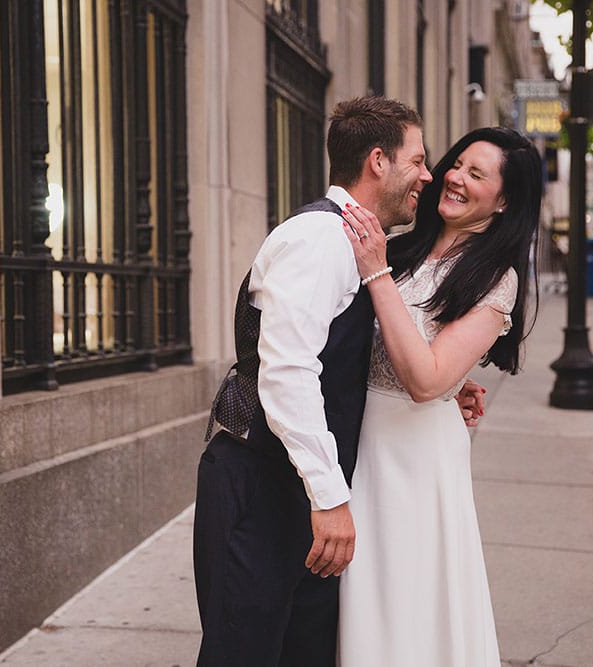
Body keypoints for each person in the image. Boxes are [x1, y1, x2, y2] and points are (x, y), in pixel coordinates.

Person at [193, 96, 436, 666]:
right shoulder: (319, 239)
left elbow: (340, 358)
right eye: (417, 160)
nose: (427, 175)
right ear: (378, 161)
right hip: (262, 488)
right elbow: (288, 372)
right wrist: (329, 499)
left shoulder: (353, 241)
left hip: (297, 491)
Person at [337, 126, 543, 666]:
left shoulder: (495, 279)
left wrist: (377, 275)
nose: (455, 178)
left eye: (477, 174)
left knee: (408, 604)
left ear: (504, 202)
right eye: (456, 164)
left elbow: (426, 380)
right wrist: (453, 384)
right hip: (358, 443)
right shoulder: (402, 247)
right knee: (360, 601)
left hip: (417, 461)